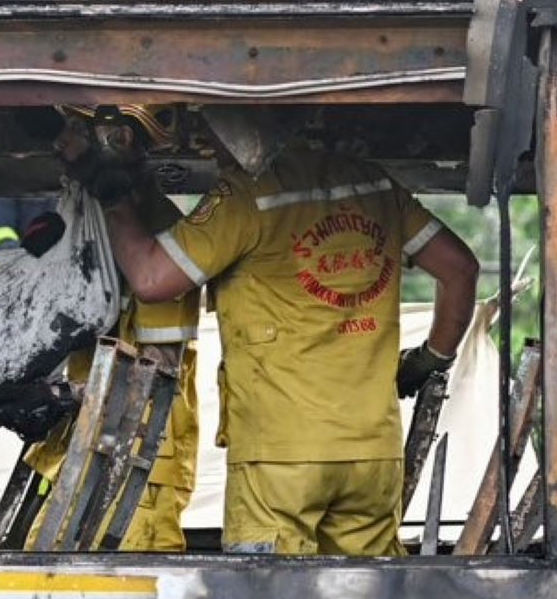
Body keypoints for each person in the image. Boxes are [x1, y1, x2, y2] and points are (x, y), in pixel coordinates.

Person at [94, 107, 479, 556]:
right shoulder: (374, 185)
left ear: (239, 135)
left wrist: (112, 195)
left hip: (280, 459)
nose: (207, 148)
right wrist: (432, 358)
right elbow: (461, 270)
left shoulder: (246, 196)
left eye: (210, 136)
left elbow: (150, 279)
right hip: (372, 452)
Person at [24, 105, 201, 551]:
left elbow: (158, 369)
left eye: (77, 135)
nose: (62, 147)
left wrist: (65, 395)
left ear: (118, 140)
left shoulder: (159, 232)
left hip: (137, 459)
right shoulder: (88, 224)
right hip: (86, 446)